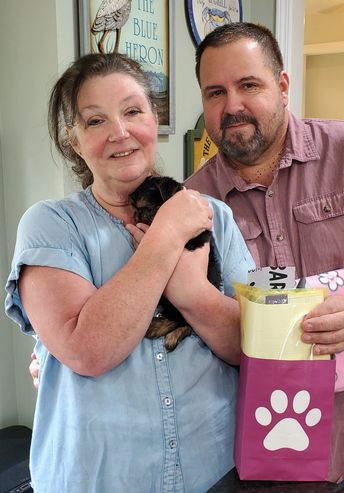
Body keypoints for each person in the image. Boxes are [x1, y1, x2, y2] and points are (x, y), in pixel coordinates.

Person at [4, 52, 255, 493]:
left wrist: (192, 291)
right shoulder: (50, 225)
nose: (120, 133)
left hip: (215, 472)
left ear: (153, 118)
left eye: (132, 111)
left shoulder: (214, 215)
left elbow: (250, 346)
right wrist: (166, 236)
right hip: (97, 478)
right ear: (73, 140)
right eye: (95, 121)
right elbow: (89, 351)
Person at [185, 22, 344, 491]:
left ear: (282, 86)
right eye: (215, 93)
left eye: (248, 85)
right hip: (261, 456)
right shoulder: (191, 204)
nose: (231, 106)